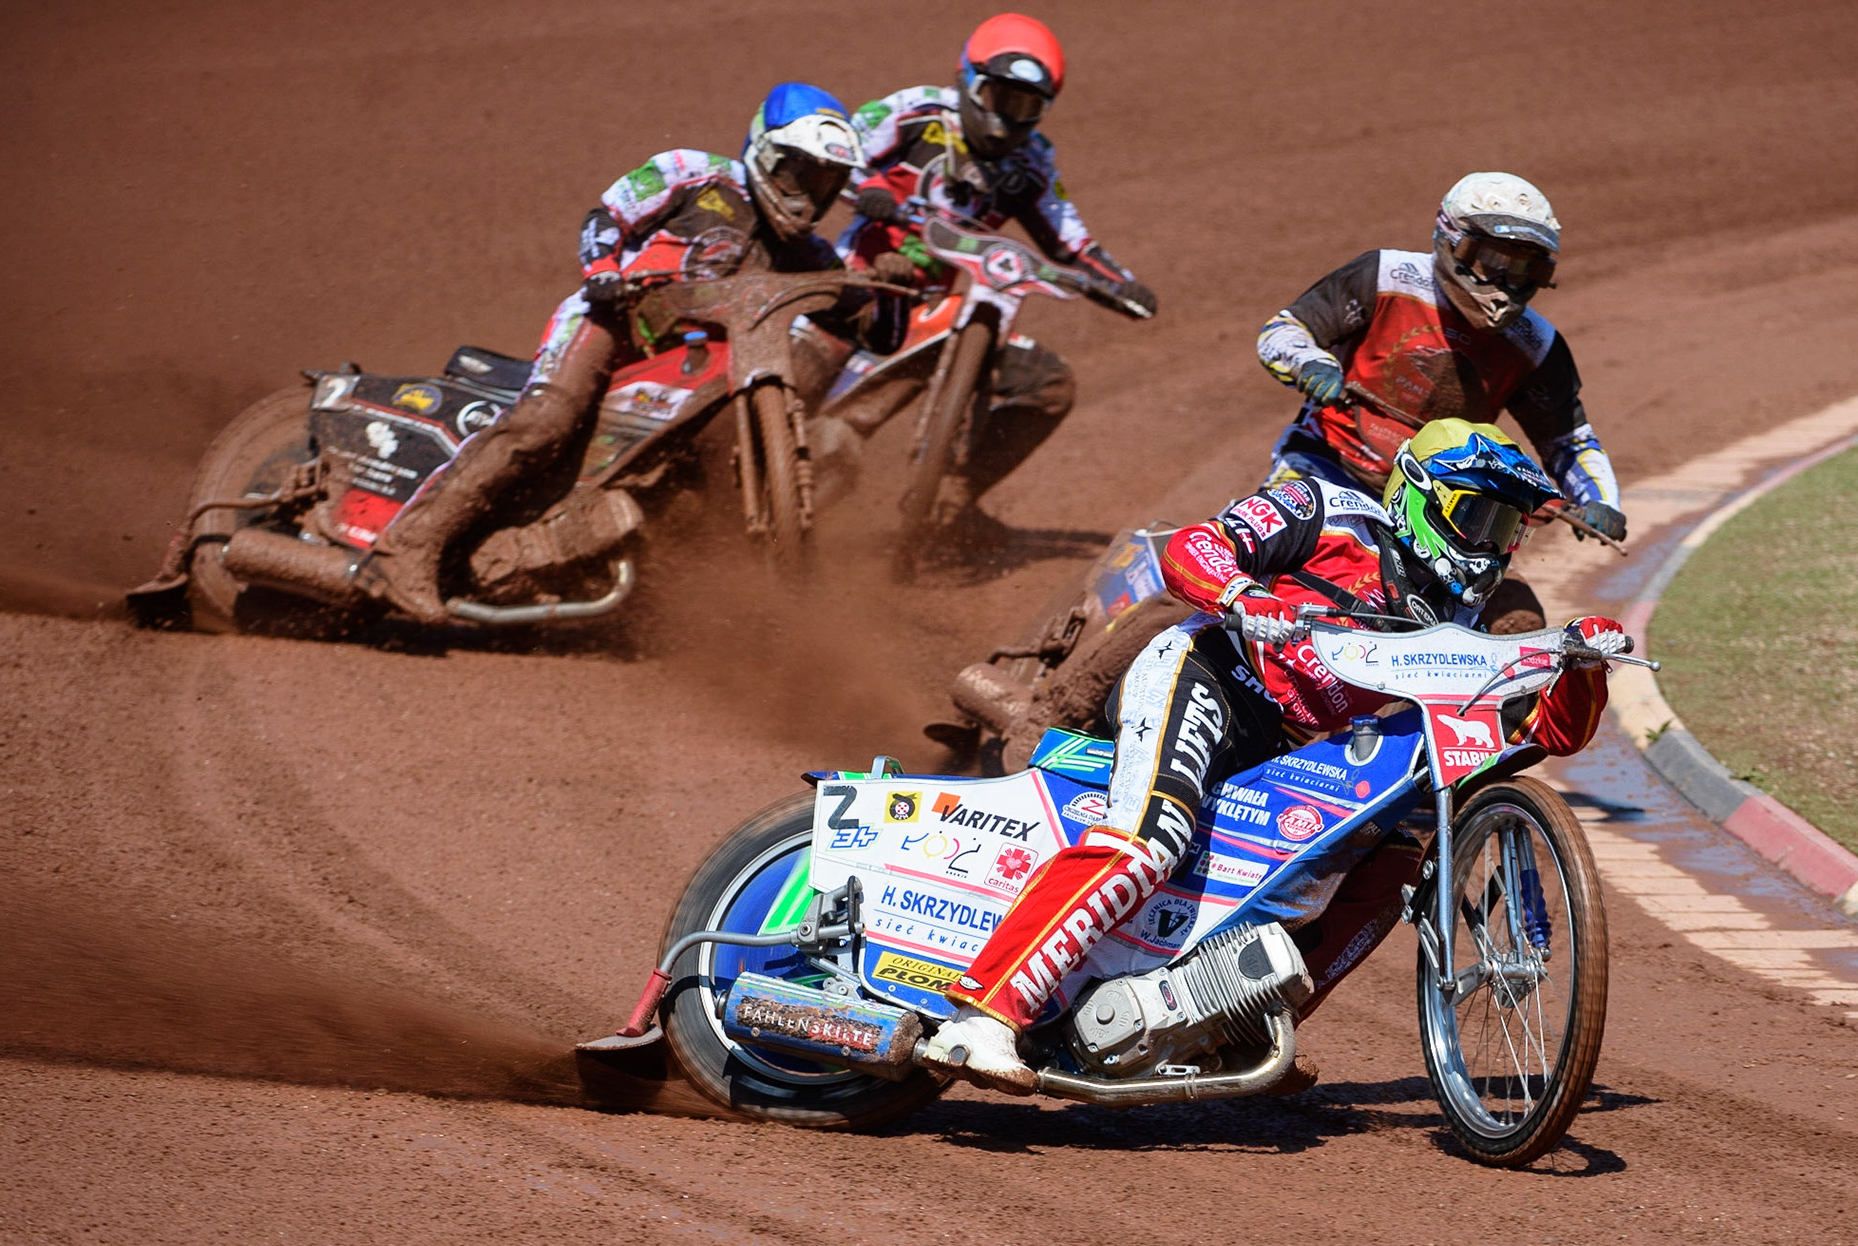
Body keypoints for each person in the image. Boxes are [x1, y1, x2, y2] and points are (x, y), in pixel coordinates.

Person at [921, 418, 1632, 1093]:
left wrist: (1583, 668)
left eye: (1506, 528)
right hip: (1209, 674)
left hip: (1291, 746)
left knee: (1388, 866)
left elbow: (1543, 735)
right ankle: (982, 1014)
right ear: (1420, 496)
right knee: (1150, 838)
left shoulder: (1463, 619)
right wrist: (1242, 594)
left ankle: (1240, 1032)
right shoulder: (1325, 508)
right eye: (1478, 517)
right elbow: (1192, 547)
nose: (1489, 544)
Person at [366, 83, 871, 623]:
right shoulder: (693, 173)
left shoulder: (811, 256)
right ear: (767, 154)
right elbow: (603, 218)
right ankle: (408, 549)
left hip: (696, 363)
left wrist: (877, 289)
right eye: (802, 173)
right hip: (613, 320)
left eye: (826, 182)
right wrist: (604, 273)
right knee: (547, 421)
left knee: (712, 461)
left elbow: (864, 323)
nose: (809, 194)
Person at [797, 12, 1158, 541]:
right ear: (969, 81)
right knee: (789, 382)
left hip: (937, 314)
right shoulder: (915, 112)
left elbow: (1069, 239)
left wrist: (1120, 283)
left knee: (1047, 384)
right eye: (1000, 97)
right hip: (855, 284)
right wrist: (865, 188)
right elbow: (836, 151)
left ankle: (950, 501)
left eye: (1026, 106)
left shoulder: (1033, 164)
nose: (1009, 119)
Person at [1255, 172, 1628, 551]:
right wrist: (1310, 364)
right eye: (1492, 261)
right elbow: (1286, 330)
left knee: (1510, 612)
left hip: (1438, 507)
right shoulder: (1384, 277)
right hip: (1322, 465)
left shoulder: (1537, 346)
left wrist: (1601, 502)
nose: (1505, 283)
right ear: (1454, 243)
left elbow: (1568, 443)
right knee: (1252, 556)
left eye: (1523, 269)